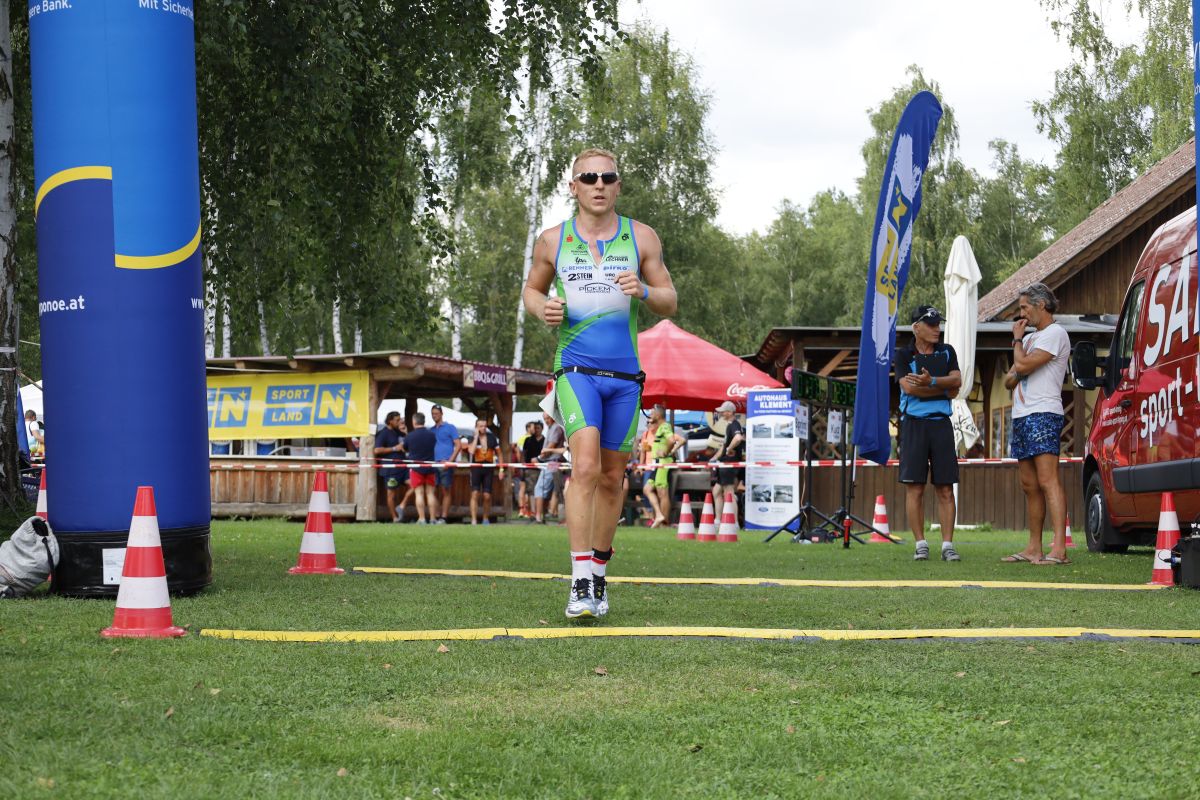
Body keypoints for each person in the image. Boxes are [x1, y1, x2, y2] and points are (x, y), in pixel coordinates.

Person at [522, 146, 677, 618]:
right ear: (574, 187)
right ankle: (579, 583)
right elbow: (531, 289)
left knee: (612, 478)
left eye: (607, 177)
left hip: (625, 377)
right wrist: (542, 308)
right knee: (585, 467)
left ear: (618, 185)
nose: (598, 185)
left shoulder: (641, 237)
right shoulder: (552, 240)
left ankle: (599, 574)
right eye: (589, 178)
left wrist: (644, 291)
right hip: (576, 370)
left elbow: (669, 299)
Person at [1002, 283, 1072, 566]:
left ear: (1041, 304)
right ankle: (1034, 548)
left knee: (1047, 480)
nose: (1022, 314)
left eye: (1024, 307)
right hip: (1021, 415)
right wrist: (1022, 360)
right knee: (1029, 484)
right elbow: (1008, 379)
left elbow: (1020, 367)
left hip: (1044, 413)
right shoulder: (1031, 340)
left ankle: (1060, 549)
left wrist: (1017, 343)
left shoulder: (1055, 333)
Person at [895, 305, 963, 561]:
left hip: (941, 424)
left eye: (938, 324)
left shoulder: (947, 351)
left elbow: (957, 382)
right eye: (932, 325)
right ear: (916, 328)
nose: (937, 329)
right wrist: (943, 390)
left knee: (946, 488)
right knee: (915, 488)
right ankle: (920, 544)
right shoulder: (903, 354)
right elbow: (910, 389)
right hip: (913, 424)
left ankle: (948, 545)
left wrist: (931, 381)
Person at [641, 405, 683, 528]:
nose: (650, 416)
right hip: (657, 464)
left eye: (652, 413)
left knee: (662, 493)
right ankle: (659, 515)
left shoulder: (665, 426)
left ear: (658, 415)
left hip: (663, 463)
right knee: (647, 489)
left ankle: (664, 523)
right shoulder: (661, 427)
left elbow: (672, 440)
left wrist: (666, 452)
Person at [708, 401, 745, 521]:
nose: (721, 413)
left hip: (729, 464)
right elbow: (724, 447)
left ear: (729, 412)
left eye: (722, 411)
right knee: (716, 491)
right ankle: (718, 520)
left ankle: (733, 522)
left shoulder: (734, 424)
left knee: (729, 494)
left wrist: (729, 448)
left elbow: (738, 438)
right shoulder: (730, 425)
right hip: (725, 464)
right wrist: (714, 458)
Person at [403, 412, 438, 525]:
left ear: (414, 422)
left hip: (416, 467)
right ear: (424, 421)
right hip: (430, 466)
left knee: (419, 493)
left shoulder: (410, 436)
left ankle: (422, 519)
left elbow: (405, 448)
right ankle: (433, 519)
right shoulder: (432, 435)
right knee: (430, 493)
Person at [429, 404, 462, 524]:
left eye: (436, 413)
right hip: (433, 464)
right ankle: (437, 515)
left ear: (441, 414)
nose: (434, 416)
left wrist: (450, 461)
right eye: (432, 414)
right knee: (431, 491)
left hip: (445, 464)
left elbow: (458, 445)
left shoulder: (450, 427)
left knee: (445, 491)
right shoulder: (431, 430)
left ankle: (444, 517)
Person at [373, 411, 408, 523]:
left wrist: (406, 435)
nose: (399, 422)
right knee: (391, 494)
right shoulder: (383, 433)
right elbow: (377, 450)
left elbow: (405, 443)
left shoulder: (398, 432)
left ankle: (401, 506)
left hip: (403, 467)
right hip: (390, 470)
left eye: (400, 419)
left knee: (414, 485)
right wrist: (394, 448)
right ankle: (394, 518)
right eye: (397, 420)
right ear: (390, 421)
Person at [468, 418, 503, 525]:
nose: (483, 428)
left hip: (488, 469)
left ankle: (485, 518)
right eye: (481, 426)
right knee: (475, 494)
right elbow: (471, 451)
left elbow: (499, 453)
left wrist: (501, 469)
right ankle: (474, 520)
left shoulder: (491, 437)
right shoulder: (472, 437)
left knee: (487, 496)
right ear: (476, 427)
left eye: (485, 426)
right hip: (476, 469)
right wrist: (476, 437)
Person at [534, 412, 567, 524]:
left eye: (548, 418)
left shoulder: (556, 428)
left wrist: (538, 458)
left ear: (553, 417)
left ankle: (539, 517)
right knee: (554, 491)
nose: (546, 421)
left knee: (540, 489)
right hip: (554, 462)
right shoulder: (553, 427)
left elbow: (550, 447)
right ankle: (547, 515)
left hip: (552, 462)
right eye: (545, 419)